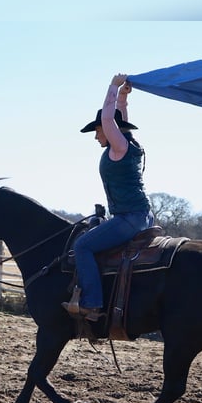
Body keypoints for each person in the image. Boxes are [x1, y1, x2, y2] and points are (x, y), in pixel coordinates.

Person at [62, 73, 154, 321]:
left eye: (98, 131)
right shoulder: (129, 144)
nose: (96, 135)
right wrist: (123, 99)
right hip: (143, 216)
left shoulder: (119, 147)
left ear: (109, 130)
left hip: (129, 218)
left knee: (82, 246)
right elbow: (118, 119)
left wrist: (113, 87)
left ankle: (92, 303)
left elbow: (108, 117)